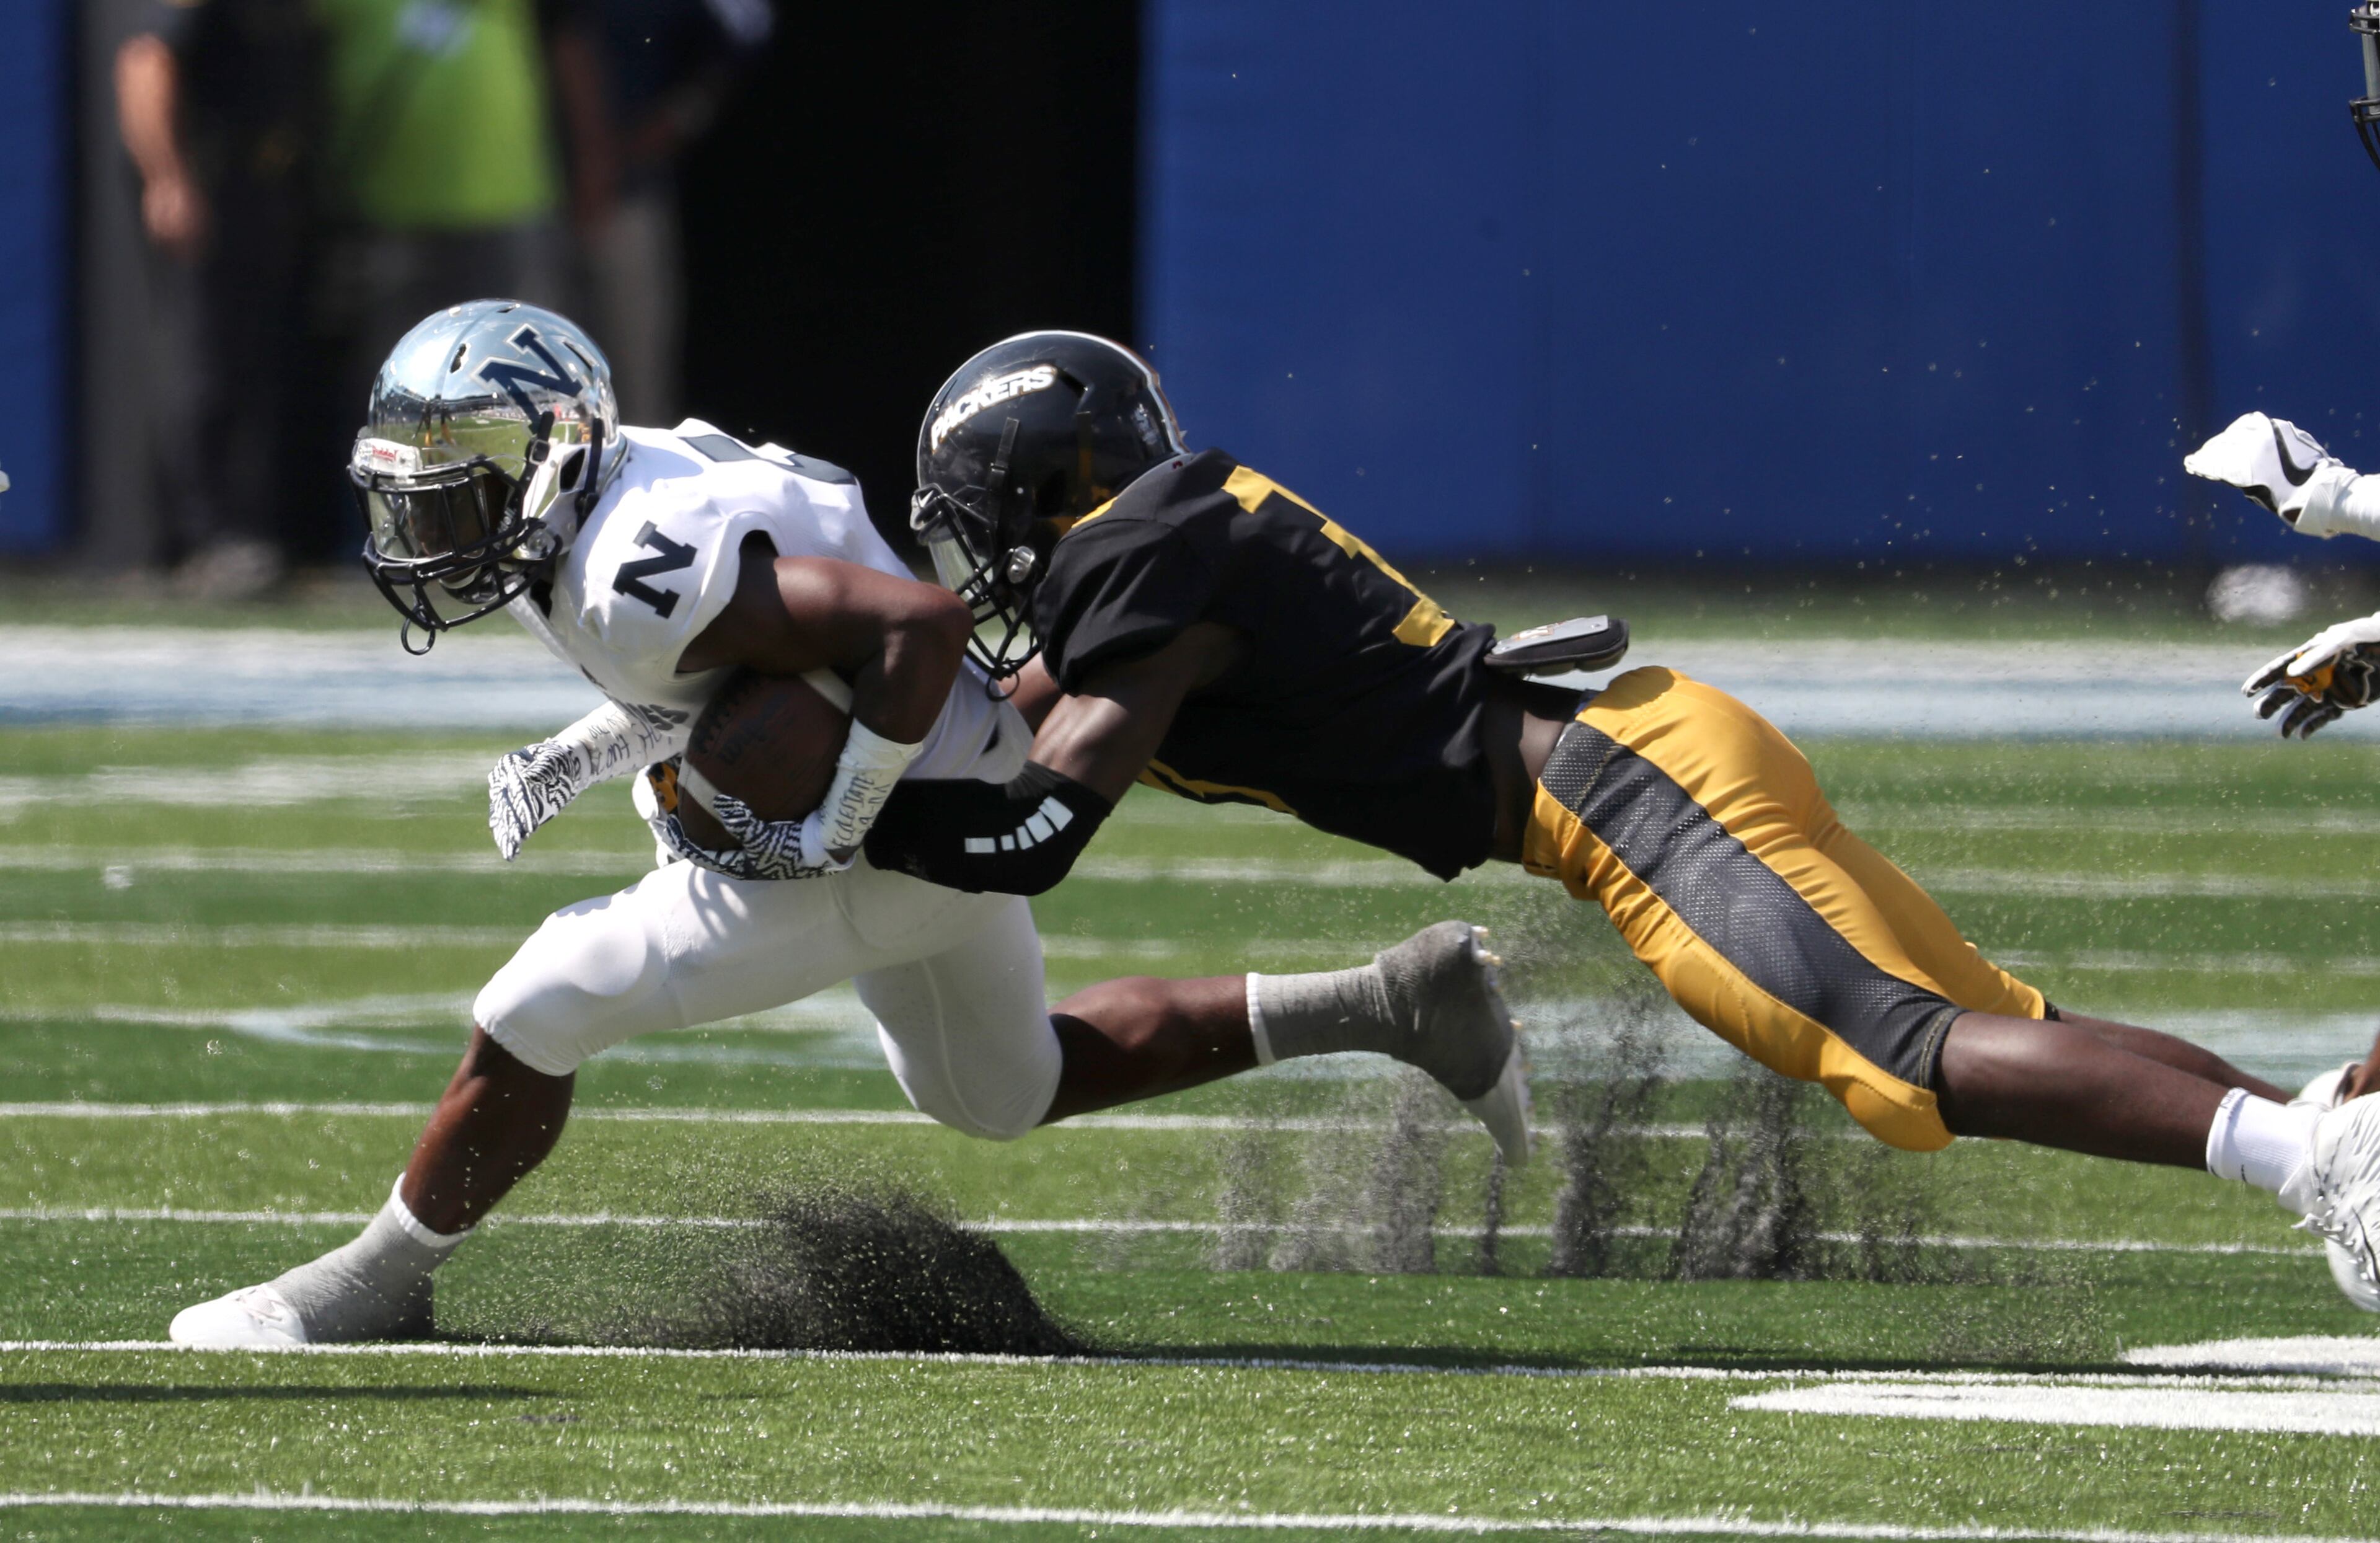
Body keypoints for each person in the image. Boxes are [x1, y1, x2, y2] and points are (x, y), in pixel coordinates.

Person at [734, 330, 2380, 1313]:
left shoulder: (1138, 570)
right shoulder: (1160, 556)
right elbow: (1017, 724)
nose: (983, 563)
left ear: (1048, 487)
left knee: (1908, 1055)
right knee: (1970, 1044)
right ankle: (2331, 1130)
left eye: (987, 524)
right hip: (1647, 759)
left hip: (1627, 802)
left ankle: (2313, 1157)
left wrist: (841, 842)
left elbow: (1041, 837)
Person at [167, 303, 1524, 1347]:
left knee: (539, 998)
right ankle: (1391, 998)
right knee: (999, 1089)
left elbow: (914, 624)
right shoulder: (606, 506)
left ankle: (369, 1285)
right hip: (948, 772)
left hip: (898, 813)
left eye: (458, 481)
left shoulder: (631, 560)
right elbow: (731, 670)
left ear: (554, 455)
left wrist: (839, 818)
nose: (427, 518)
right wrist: (589, 746)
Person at [115, 0, 323, 596]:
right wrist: (167, 176)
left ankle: (243, 536)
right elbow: (145, 61)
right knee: (201, 362)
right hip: (210, 184)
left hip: (263, 192)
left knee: (251, 365)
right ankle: (197, 538)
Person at [568, 0, 774, 425]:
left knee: (637, 385)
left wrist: (676, 120)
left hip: (628, 196)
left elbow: (746, 32)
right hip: (519, 202)